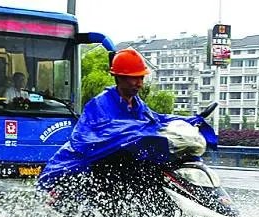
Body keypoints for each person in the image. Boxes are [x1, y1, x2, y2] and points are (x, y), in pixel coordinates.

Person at [37, 47, 179, 193]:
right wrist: (136, 132)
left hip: (121, 166)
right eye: (134, 78)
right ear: (119, 77)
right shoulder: (99, 105)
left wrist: (190, 121)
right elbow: (91, 140)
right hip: (83, 168)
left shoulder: (138, 105)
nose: (140, 84)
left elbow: (157, 120)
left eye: (141, 78)